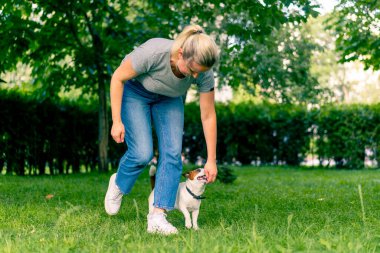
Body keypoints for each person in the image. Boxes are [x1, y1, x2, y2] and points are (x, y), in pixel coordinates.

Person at [104, 24, 219, 235]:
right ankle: (119, 183)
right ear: (181, 53)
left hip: (170, 100)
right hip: (136, 92)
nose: (195, 77)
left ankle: (157, 216)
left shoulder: (203, 71)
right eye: (192, 70)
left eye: (199, 73)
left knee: (173, 154)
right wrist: (116, 120)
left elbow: (208, 114)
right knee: (142, 153)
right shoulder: (154, 52)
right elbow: (117, 78)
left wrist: (211, 159)